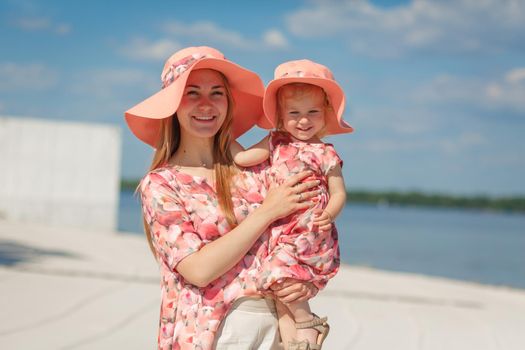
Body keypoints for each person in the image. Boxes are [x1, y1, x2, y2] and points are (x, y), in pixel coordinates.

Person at [124, 46, 320, 350]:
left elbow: (297, 234)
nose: (206, 105)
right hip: (213, 333)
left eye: (217, 93)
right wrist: (266, 212)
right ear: (173, 104)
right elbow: (199, 271)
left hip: (278, 329)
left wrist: (306, 283)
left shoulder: (255, 170)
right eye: (192, 93)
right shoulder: (162, 183)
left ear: (229, 103)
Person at [231, 59, 354, 349]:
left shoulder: (325, 153)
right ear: (280, 116)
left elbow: (339, 192)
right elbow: (243, 159)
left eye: (312, 112)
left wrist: (329, 214)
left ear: (325, 115)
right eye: (294, 113)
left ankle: (308, 321)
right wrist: (225, 138)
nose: (303, 120)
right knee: (278, 290)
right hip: (279, 229)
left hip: (308, 230)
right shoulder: (274, 142)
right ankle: (295, 342)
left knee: (279, 273)